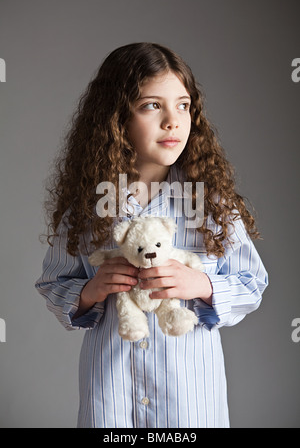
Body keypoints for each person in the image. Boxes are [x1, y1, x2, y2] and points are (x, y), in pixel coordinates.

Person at [35, 42, 268, 428]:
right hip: (111, 398)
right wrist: (90, 292)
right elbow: (53, 282)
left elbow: (252, 282)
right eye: (151, 106)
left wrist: (202, 284)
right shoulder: (89, 207)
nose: (173, 121)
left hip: (189, 401)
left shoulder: (210, 203)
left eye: (183, 105)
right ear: (116, 119)